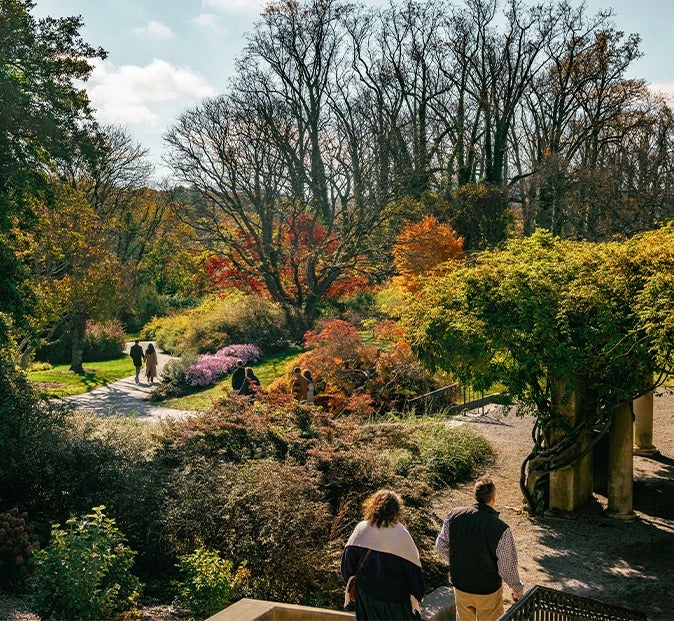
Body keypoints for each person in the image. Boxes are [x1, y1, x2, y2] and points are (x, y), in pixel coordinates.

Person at [435, 477, 524, 621]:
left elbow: (440, 546)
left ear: (474, 496)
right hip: (487, 590)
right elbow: (506, 567)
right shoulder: (500, 529)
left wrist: (459, 561)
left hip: (461, 585)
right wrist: (517, 589)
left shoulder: (453, 516)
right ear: (493, 498)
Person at [341, 489, 424, 620]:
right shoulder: (401, 535)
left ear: (372, 506)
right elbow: (414, 573)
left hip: (366, 595)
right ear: (396, 510)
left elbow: (347, 567)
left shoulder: (361, 529)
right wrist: (417, 596)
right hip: (396, 600)